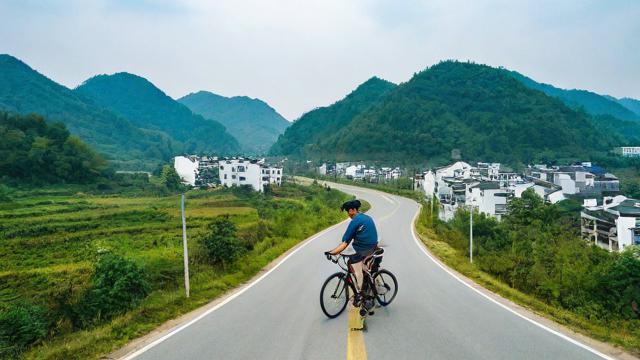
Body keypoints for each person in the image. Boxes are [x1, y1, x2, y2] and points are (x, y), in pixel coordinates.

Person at [325, 199, 378, 304]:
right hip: (370, 246)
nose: (348, 214)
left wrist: (332, 252)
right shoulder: (365, 217)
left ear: (354, 210)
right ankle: (365, 284)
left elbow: (345, 243)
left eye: (348, 211)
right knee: (354, 259)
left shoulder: (355, 221)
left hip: (365, 249)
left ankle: (360, 294)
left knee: (351, 262)